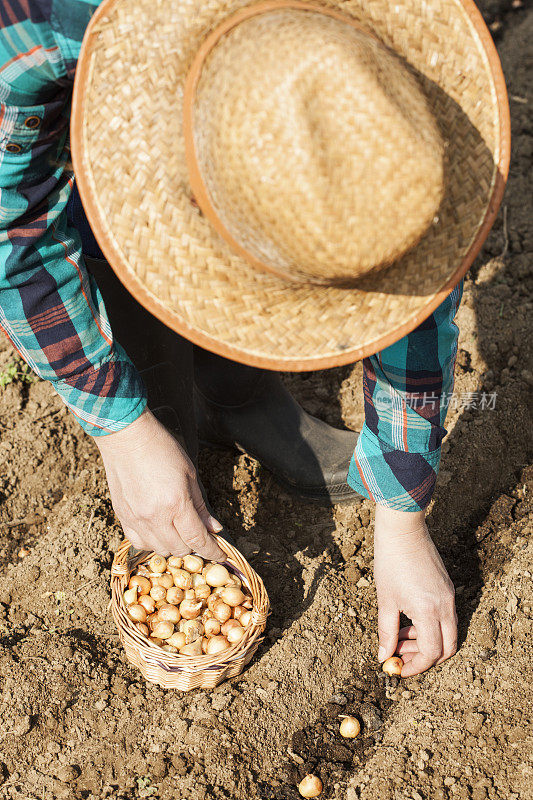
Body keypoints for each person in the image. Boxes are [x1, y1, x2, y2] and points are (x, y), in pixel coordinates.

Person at [0, 0, 508, 677]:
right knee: (100, 229)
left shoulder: (389, 99)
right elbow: (17, 229)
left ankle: (237, 399)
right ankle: (167, 421)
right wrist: (118, 427)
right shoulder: (48, 23)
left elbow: (415, 301)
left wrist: (401, 517)